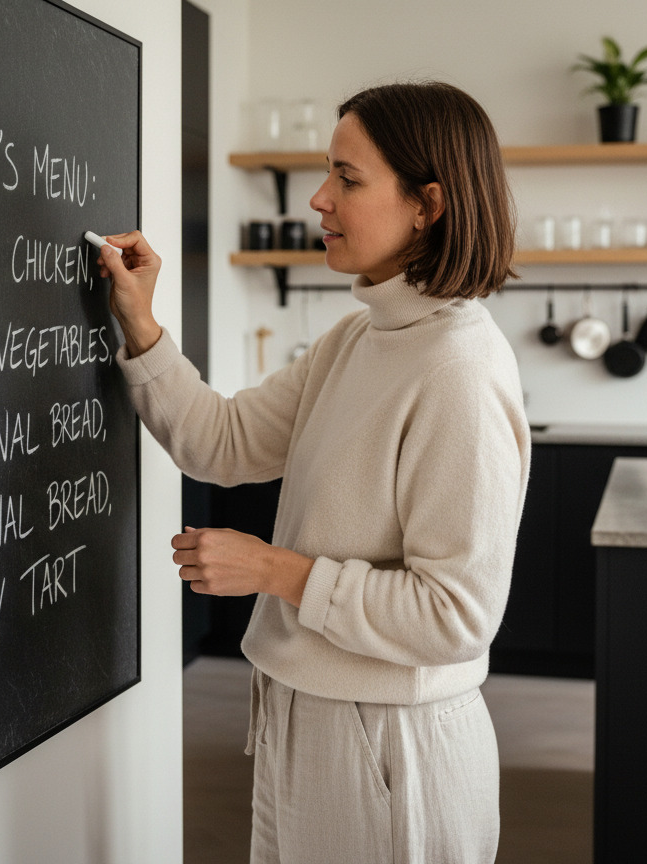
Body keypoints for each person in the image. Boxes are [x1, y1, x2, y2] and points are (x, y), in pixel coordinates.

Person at [98, 81, 530, 864]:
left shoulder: (459, 369)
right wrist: (139, 320)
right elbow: (219, 442)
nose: (319, 201)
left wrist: (274, 569)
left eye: (348, 178)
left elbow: (456, 616)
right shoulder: (356, 339)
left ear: (427, 204)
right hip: (311, 717)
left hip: (391, 744)